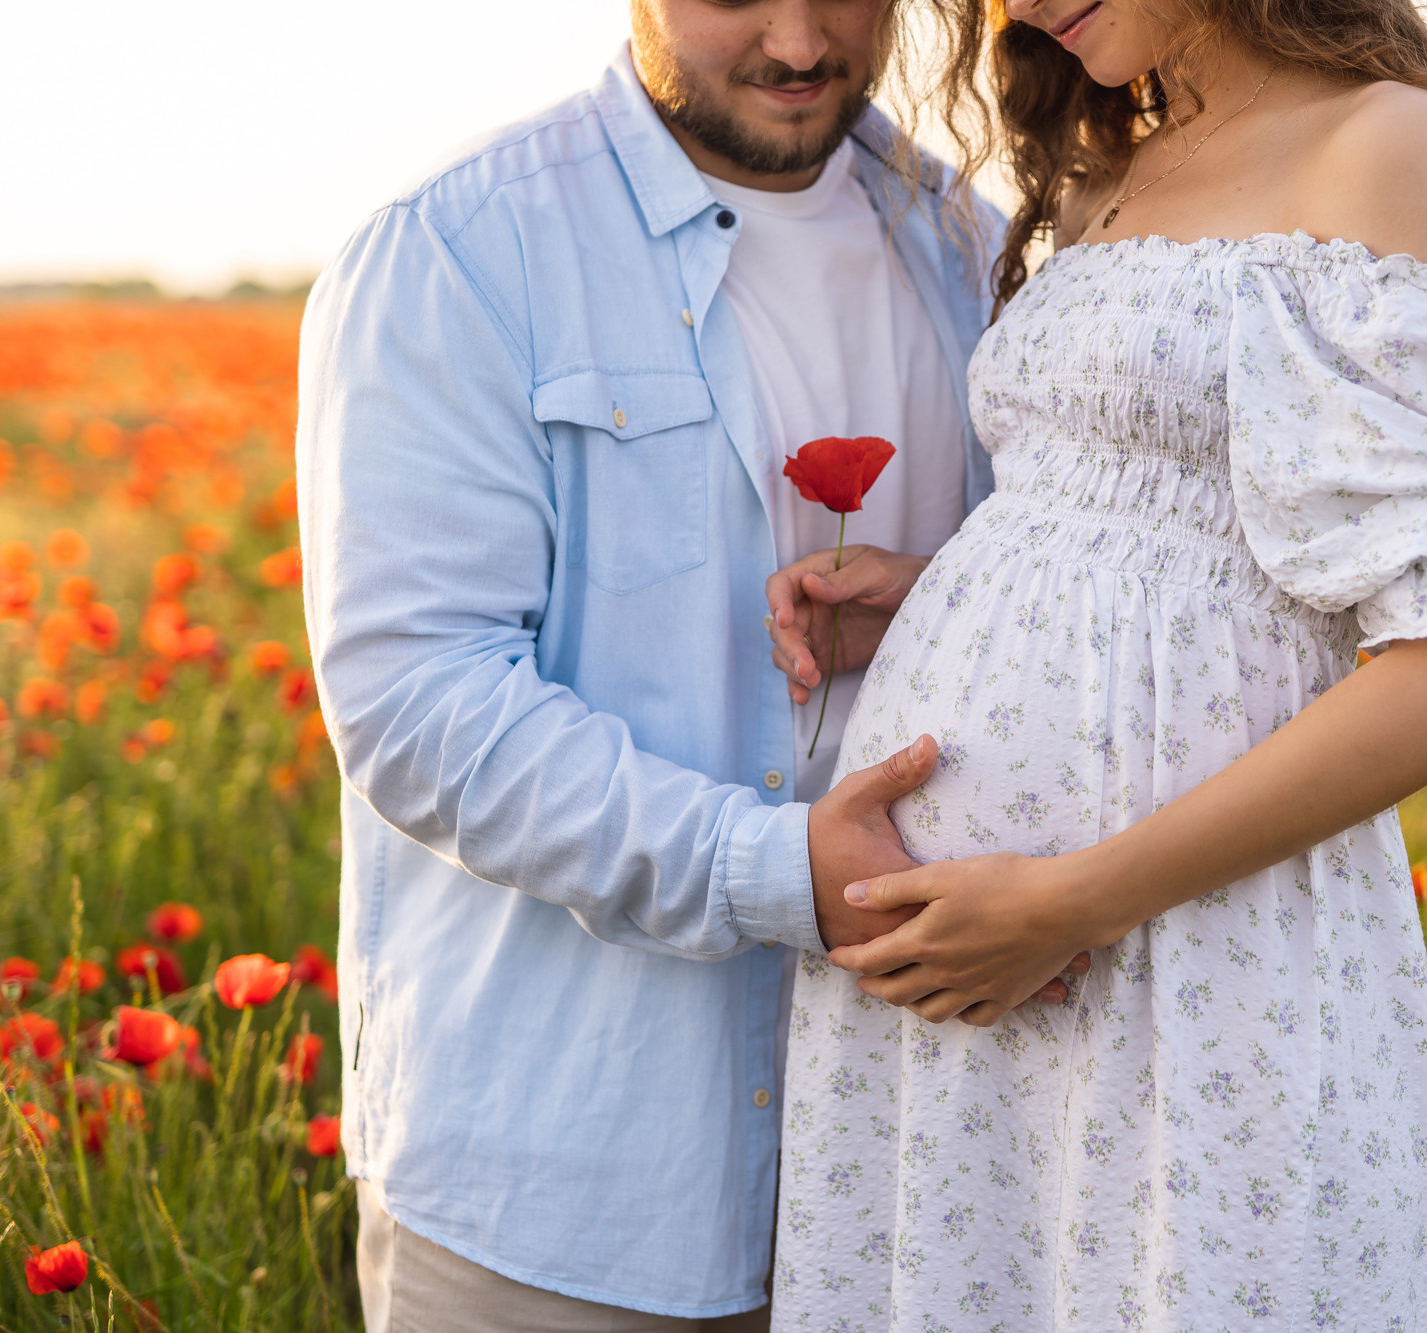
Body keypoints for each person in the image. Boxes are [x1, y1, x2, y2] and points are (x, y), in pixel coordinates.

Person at [761, 0, 1427, 1325]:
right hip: (975, 979)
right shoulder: (1117, 154)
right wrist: (945, 596)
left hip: (1180, 954)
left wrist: (1073, 901)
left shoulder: (1382, 144)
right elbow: (1193, 554)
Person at [295, 0, 1076, 1324]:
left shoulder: (973, 255)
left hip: (906, 1178)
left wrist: (941, 604)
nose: (797, 42)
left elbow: (1051, 617)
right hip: (566, 1185)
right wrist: (778, 873)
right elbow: (420, 707)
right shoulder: (461, 252)